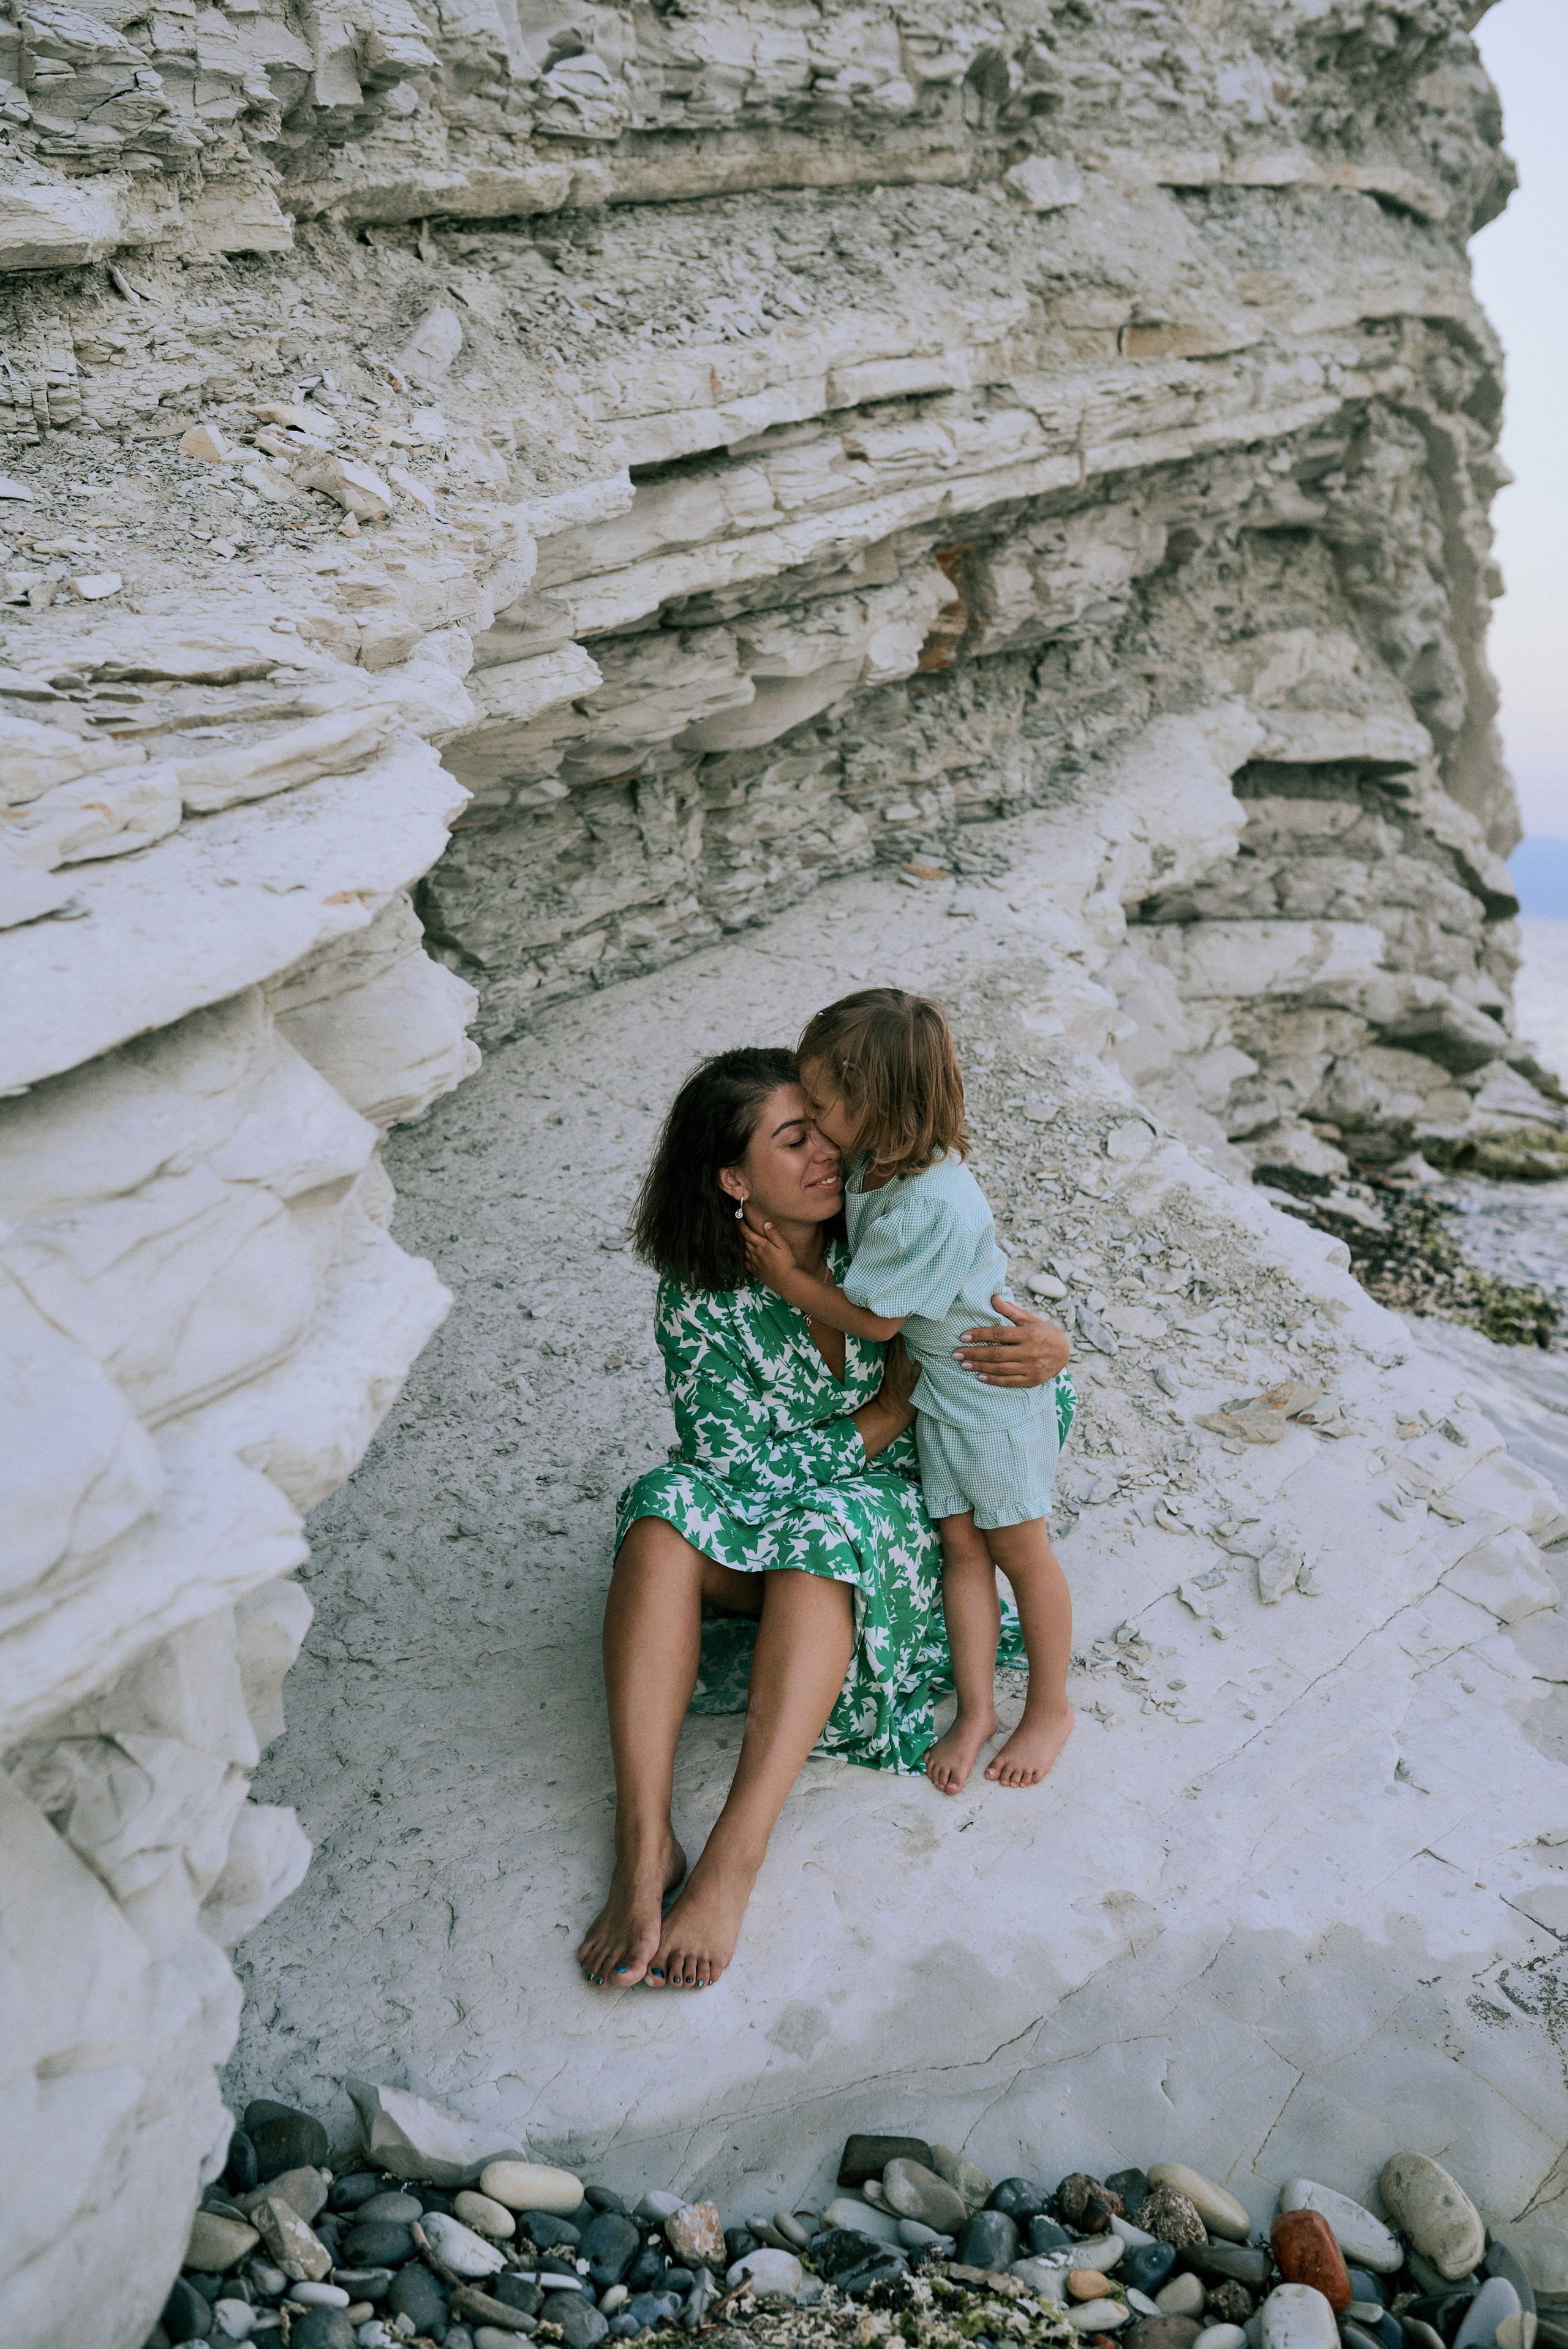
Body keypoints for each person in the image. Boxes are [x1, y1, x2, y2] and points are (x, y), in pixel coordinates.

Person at [576, 1046, 1069, 1993]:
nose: (828, 1155)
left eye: (827, 1131)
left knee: (824, 1526)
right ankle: (643, 1850)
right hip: (777, 1513)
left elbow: (994, 1356)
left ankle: (735, 1854)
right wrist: (878, 1417)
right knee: (659, 1510)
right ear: (732, 1179)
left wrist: (1052, 1346)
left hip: (903, 1522)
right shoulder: (700, 1299)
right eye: (794, 1140)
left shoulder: (889, 1227)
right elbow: (729, 1471)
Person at [743, 989, 1076, 1798]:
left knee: (1021, 1554)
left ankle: (1052, 1707)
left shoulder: (928, 1203)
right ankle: (975, 1711)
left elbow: (877, 1324)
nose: (814, 1124)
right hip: (942, 1398)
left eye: (821, 1106)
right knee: (963, 1548)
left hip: (989, 1400)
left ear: (878, 1107)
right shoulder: (876, 1158)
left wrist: (786, 1278)